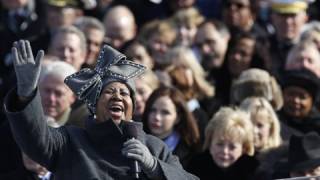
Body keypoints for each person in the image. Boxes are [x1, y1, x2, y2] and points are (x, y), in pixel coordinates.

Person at [4, 40, 199, 180]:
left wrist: (154, 166)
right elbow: (34, 139)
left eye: (125, 93)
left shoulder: (154, 148)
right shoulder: (69, 142)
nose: (118, 97)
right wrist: (27, 95)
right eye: (109, 92)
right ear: (93, 105)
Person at [187, 107, 258, 180]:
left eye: (232, 147)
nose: (225, 151)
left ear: (243, 148)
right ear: (210, 142)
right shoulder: (195, 168)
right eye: (219, 144)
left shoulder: (255, 171)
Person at [142, 86, 201, 168]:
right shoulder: (136, 140)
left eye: (165, 112)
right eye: (153, 110)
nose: (157, 117)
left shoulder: (191, 154)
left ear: (178, 118)